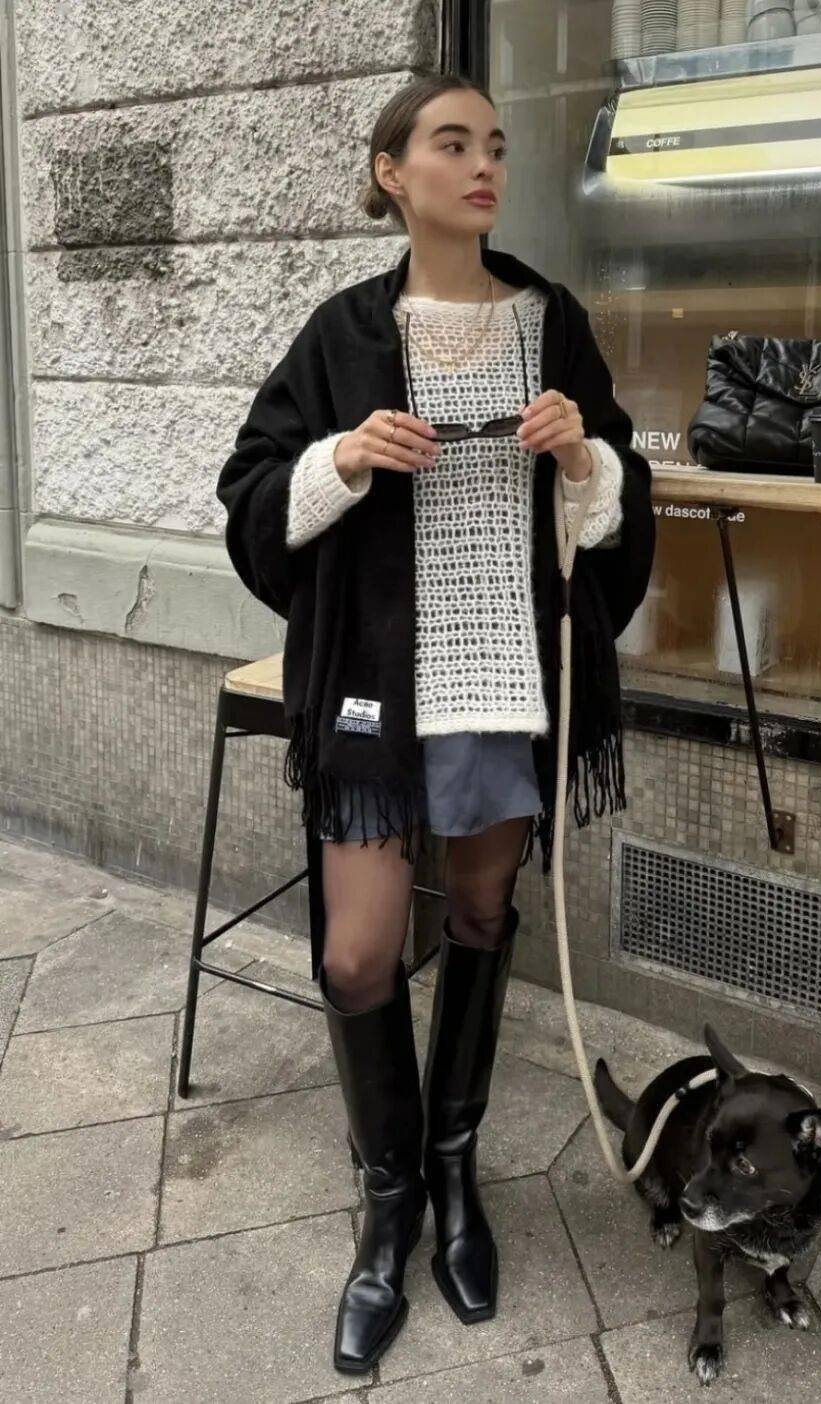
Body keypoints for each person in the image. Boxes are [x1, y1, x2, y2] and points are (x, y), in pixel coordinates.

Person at [216, 72, 655, 1376]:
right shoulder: (343, 333)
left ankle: (454, 1170)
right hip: (375, 681)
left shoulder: (551, 323)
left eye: (495, 146)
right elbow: (251, 488)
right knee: (357, 955)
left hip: (504, 673)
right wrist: (344, 459)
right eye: (452, 143)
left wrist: (583, 459)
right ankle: (389, 1194)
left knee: (477, 913)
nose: (483, 165)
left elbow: (621, 505)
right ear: (391, 171)